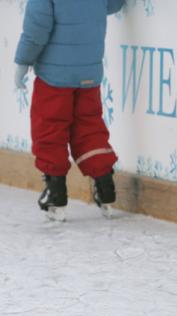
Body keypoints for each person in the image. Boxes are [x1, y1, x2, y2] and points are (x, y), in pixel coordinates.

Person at [14, 0, 126, 221]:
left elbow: (37, 29)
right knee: (90, 128)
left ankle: (55, 192)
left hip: (53, 78)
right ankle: (105, 186)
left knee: (49, 129)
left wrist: (23, 61)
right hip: (88, 73)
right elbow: (114, 4)